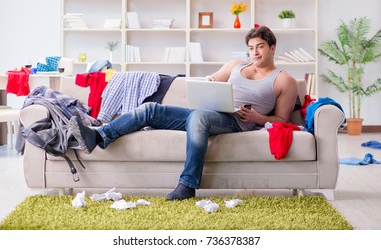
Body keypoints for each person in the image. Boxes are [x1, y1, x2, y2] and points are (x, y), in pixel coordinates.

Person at [69, 26, 298, 200]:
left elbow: (281, 119)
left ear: (272, 48)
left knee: (199, 117)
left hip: (237, 121)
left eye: (259, 47)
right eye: (251, 48)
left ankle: (188, 184)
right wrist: (209, 81)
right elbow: (214, 81)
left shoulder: (284, 80)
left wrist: (259, 118)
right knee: (151, 110)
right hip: (208, 111)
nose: (254, 52)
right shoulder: (236, 64)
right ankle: (99, 137)